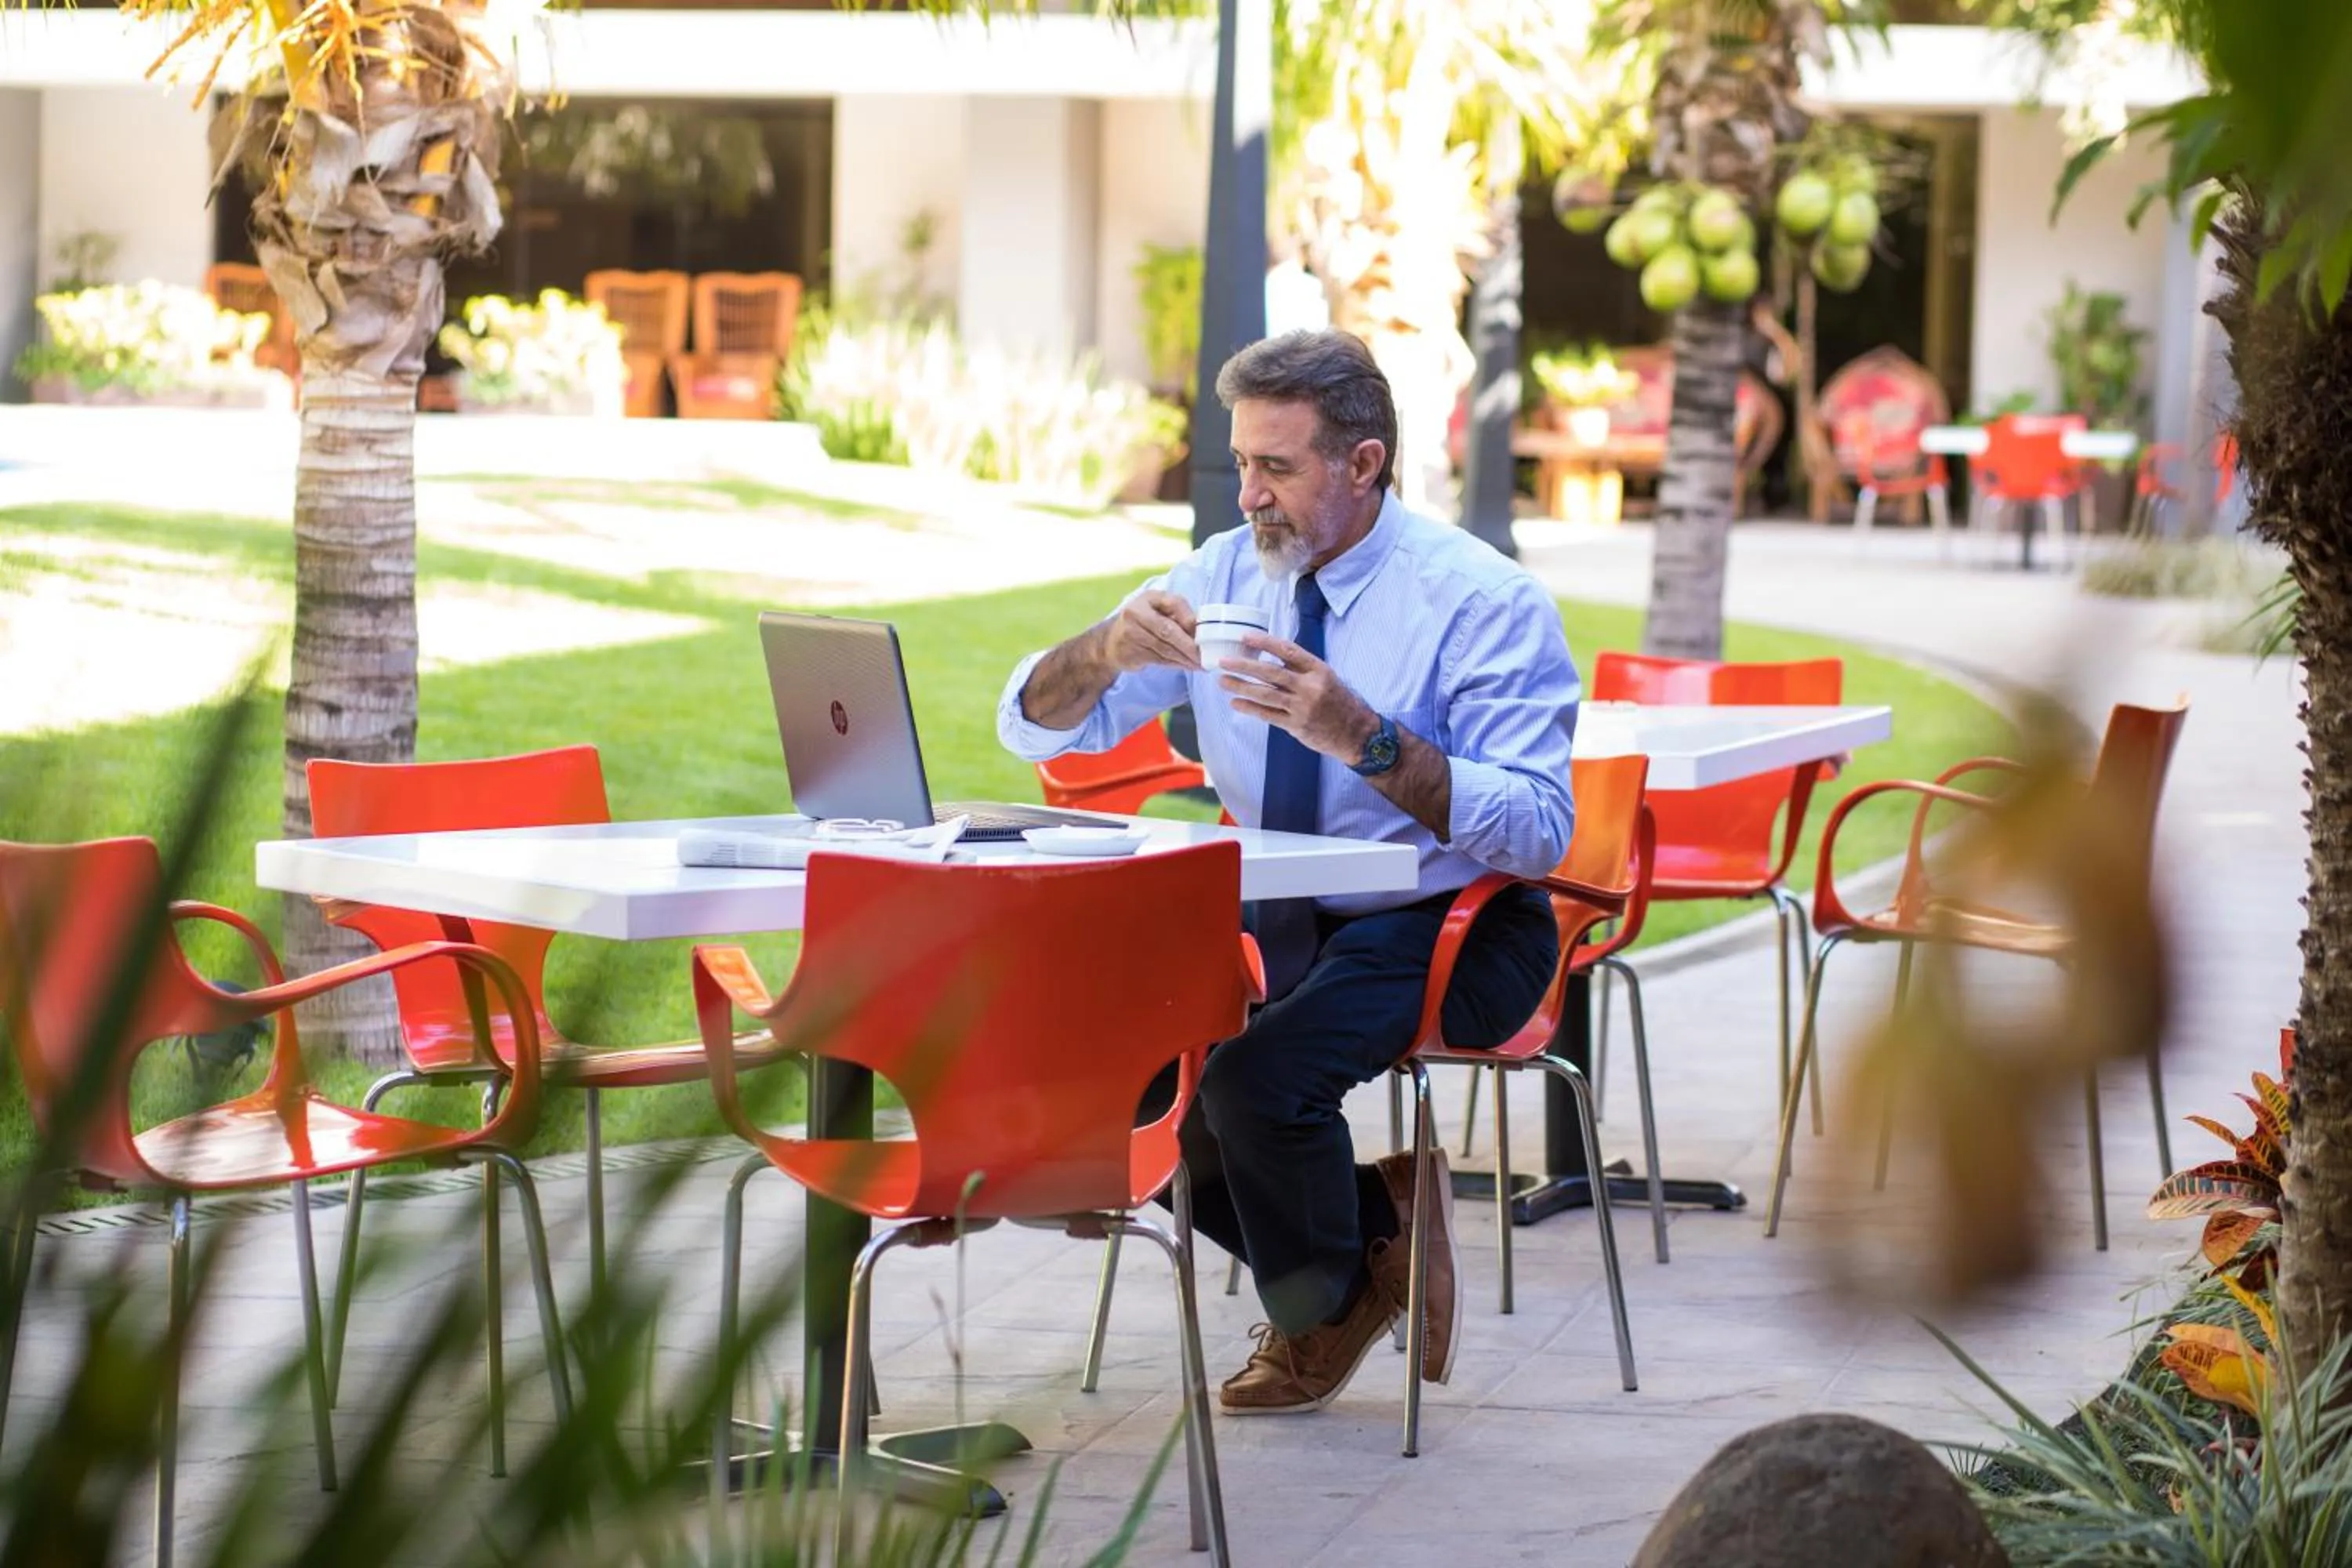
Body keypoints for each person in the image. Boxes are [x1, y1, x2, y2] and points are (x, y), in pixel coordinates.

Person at [995, 328, 1579, 1415]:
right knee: (1114, 1090)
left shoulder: (1481, 600)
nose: (1250, 496)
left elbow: (1541, 829)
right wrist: (1101, 653)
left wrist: (1364, 736)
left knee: (1252, 1088)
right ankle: (1371, 1240)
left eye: (1279, 468)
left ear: (1363, 466)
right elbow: (1035, 729)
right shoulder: (1223, 575)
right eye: (1242, 465)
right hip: (1280, 920)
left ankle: (1319, 1311)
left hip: (1451, 920)